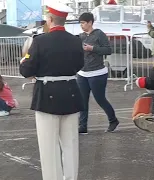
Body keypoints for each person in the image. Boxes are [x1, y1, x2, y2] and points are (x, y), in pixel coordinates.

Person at [19, 3, 84, 180]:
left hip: (47, 96)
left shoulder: (39, 41)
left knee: (49, 147)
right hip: (70, 92)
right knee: (70, 144)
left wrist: (23, 61)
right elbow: (80, 65)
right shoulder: (76, 40)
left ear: (50, 19)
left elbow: (26, 71)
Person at [77, 12, 119, 134]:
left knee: (100, 99)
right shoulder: (80, 36)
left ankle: (113, 120)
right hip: (83, 73)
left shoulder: (99, 34)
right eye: (80, 23)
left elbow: (108, 50)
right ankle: (82, 126)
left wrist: (93, 49)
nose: (82, 25)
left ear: (90, 22)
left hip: (97, 73)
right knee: (82, 101)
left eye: (83, 23)